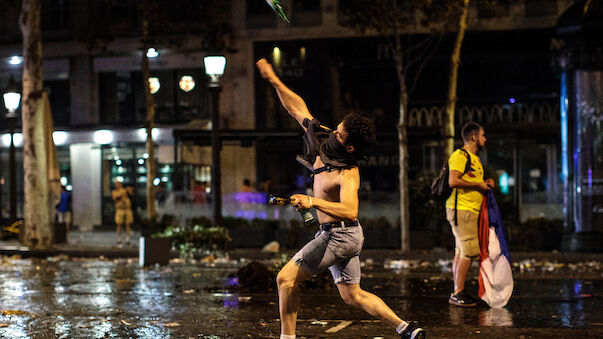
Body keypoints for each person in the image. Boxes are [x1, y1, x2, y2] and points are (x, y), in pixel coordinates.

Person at [256, 58, 424, 339]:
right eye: (336, 128)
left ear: (350, 146)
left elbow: (349, 209)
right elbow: (297, 108)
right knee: (352, 296)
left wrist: (313, 202)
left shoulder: (349, 172)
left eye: (339, 133)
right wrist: (273, 79)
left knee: (284, 279)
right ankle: (405, 328)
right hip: (342, 235)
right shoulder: (324, 140)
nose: (333, 132)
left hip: (340, 236)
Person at [446, 122, 495, 307]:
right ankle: (458, 292)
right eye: (483, 135)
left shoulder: (474, 159)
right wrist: (478, 185)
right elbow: (453, 181)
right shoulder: (461, 155)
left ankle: (458, 291)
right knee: (469, 251)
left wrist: (484, 184)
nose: (485, 138)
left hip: (468, 209)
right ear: (474, 137)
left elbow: (472, 181)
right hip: (462, 210)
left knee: (461, 251)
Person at [112, 181, 133, 247]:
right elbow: (115, 197)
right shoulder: (115, 192)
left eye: (119, 184)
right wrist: (123, 192)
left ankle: (127, 239)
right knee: (119, 224)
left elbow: (131, 195)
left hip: (127, 209)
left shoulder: (125, 191)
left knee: (128, 224)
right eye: (116, 184)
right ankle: (119, 238)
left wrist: (129, 190)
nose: (117, 185)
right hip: (120, 209)